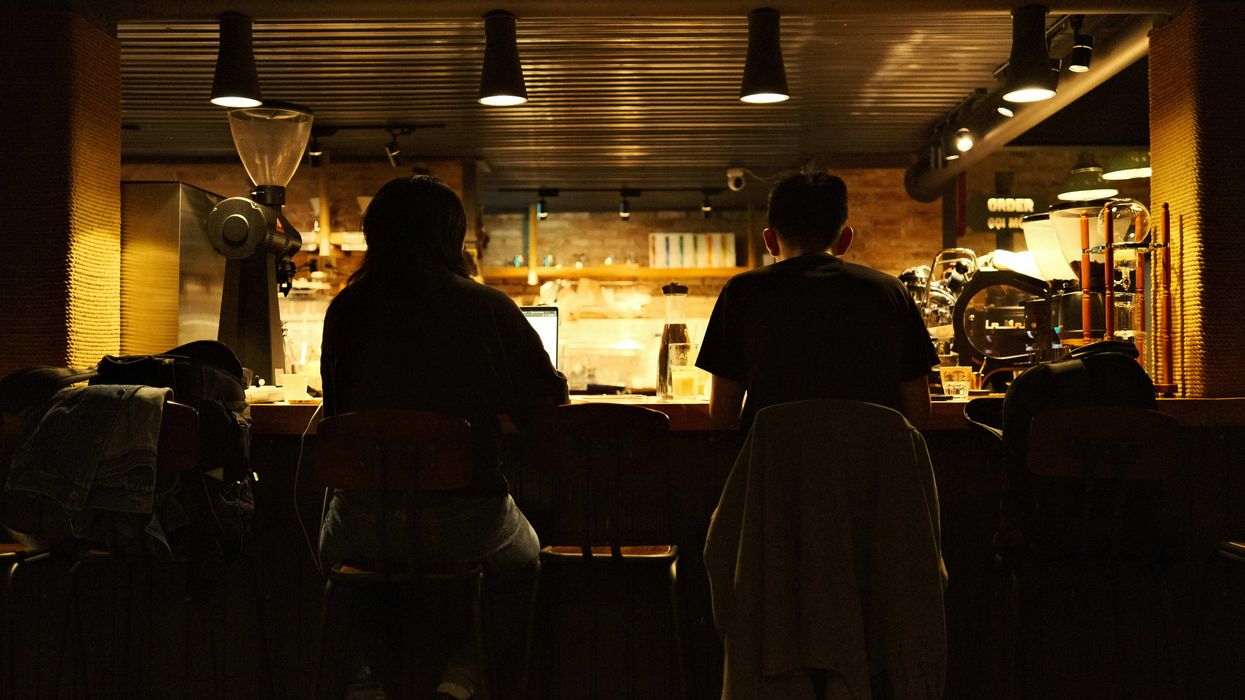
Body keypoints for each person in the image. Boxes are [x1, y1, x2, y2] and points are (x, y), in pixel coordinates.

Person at [318, 175, 568, 700]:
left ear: (374, 235)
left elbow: (339, 415)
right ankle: (465, 672)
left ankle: (366, 675)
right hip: (465, 522)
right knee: (526, 559)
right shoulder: (486, 306)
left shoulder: (345, 310)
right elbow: (547, 406)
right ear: (454, 238)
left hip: (364, 523)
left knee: (355, 556)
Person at [697, 170, 938, 430]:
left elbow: (721, 415)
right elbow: (919, 414)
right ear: (845, 239)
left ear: (770, 241)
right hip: (871, 468)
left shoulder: (741, 293)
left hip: (774, 468)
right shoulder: (891, 293)